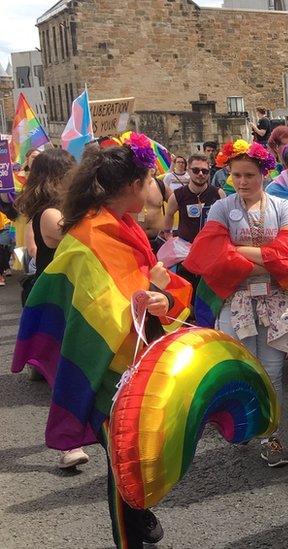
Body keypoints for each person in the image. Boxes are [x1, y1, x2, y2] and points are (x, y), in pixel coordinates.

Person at [13, 135, 193, 548]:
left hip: (140, 354)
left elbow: (144, 287)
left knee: (140, 450)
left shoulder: (125, 225)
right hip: (112, 364)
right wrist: (153, 289)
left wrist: (162, 294)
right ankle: (128, 529)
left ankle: (137, 510)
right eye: (150, 178)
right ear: (132, 185)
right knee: (123, 459)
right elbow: (101, 310)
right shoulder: (90, 235)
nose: (154, 188)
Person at [184, 139, 288, 468]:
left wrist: (236, 253)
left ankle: (272, 436)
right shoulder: (222, 208)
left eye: (249, 175)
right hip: (234, 303)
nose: (242, 182)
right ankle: (243, 424)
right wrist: (270, 260)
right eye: (236, 175)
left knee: (272, 373)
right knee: (241, 370)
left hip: (274, 302)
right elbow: (210, 256)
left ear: (264, 174)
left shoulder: (283, 208)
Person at [14, 148, 91, 467]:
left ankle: (80, 436)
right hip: (57, 300)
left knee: (73, 368)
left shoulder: (57, 209)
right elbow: (83, 239)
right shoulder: (49, 213)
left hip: (66, 296)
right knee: (65, 372)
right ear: (58, 178)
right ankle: (69, 444)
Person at [163, 153, 225, 287]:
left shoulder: (218, 194)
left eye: (205, 171)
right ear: (188, 171)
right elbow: (168, 214)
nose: (201, 174)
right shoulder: (178, 195)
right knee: (188, 290)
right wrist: (168, 234)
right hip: (186, 253)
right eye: (196, 170)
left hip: (212, 252)